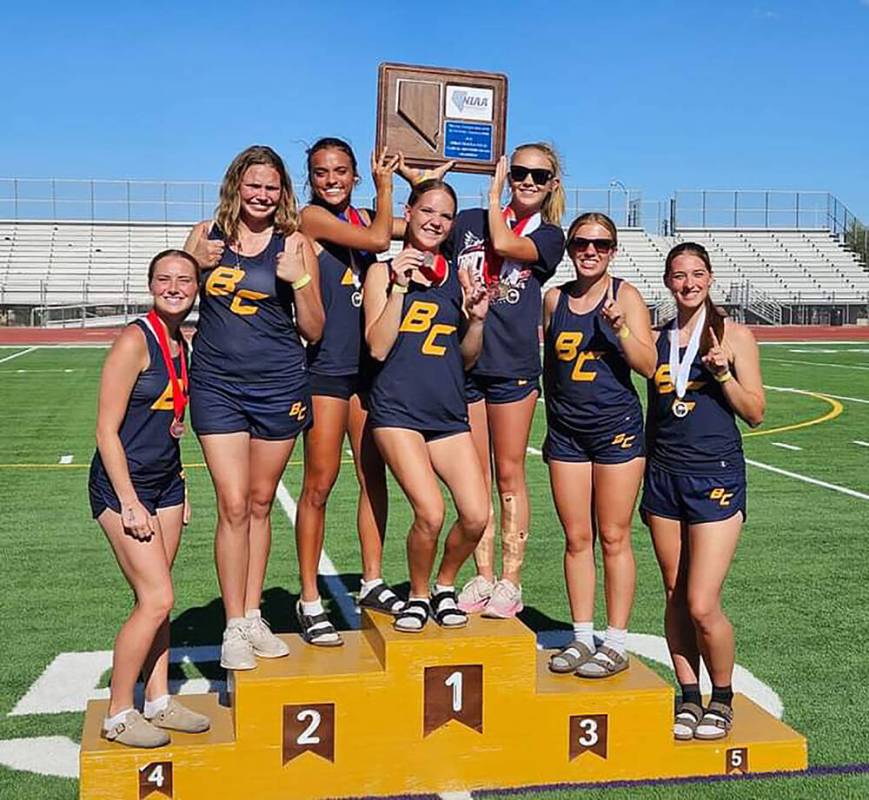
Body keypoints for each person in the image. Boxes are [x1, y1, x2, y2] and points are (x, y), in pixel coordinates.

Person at [184, 145, 324, 670]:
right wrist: (195, 267)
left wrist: (301, 279)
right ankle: (232, 626)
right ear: (235, 186)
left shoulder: (296, 244)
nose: (262, 196)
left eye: (271, 187)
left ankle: (252, 612)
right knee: (234, 502)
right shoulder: (205, 235)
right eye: (253, 185)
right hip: (218, 384)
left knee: (262, 502)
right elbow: (173, 302)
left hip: (279, 385)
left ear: (282, 191)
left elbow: (314, 329)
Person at [642, 242, 764, 739]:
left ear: (709, 278)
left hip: (714, 475)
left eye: (696, 274)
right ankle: (688, 694)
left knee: (701, 603)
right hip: (664, 477)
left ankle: (723, 696)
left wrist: (721, 373)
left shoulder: (734, 334)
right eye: (678, 275)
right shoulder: (659, 338)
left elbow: (755, 411)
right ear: (668, 282)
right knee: (673, 594)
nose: (687, 283)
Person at [90, 249, 210, 747]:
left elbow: (167, 420)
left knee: (155, 600)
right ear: (150, 285)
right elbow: (106, 431)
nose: (175, 287)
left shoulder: (181, 343)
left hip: (166, 484)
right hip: (126, 488)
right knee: (159, 598)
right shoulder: (135, 340)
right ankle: (119, 713)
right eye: (165, 279)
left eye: (185, 279)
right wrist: (129, 501)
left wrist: (178, 476)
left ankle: (158, 700)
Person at [363, 179, 490, 632]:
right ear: (410, 210)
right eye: (427, 211)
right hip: (397, 410)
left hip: (447, 410)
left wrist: (475, 320)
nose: (435, 221)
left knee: (476, 515)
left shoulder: (458, 275)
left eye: (445, 215)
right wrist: (398, 286)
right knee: (431, 511)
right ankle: (417, 595)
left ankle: (444, 585)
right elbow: (377, 348)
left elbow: (467, 357)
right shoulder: (382, 270)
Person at [452, 144, 567, 618]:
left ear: (552, 185)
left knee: (509, 473)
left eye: (538, 176)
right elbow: (420, 227)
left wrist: (494, 191)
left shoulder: (551, 235)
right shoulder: (468, 221)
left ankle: (511, 580)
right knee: (474, 478)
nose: (527, 181)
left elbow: (503, 246)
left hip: (513, 365)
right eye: (518, 172)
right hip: (466, 360)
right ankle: (482, 574)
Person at [294, 139, 400, 646]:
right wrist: (387, 186)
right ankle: (310, 597)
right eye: (321, 171)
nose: (331, 179)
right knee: (320, 482)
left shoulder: (360, 215)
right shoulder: (311, 217)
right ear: (310, 178)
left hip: (369, 370)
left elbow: (422, 225)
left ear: (354, 175)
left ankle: (373, 580)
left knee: (371, 474)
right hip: (327, 370)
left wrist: (419, 181)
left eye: (340, 170)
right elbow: (380, 239)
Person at [543, 213, 656, 678]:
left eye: (601, 244)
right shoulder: (554, 299)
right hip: (568, 433)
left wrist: (621, 329)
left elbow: (649, 365)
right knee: (576, 538)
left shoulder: (624, 295)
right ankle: (582, 635)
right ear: (570, 248)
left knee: (613, 535)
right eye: (582, 243)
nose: (591, 251)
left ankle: (615, 640)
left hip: (616, 430)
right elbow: (547, 366)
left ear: (614, 249)